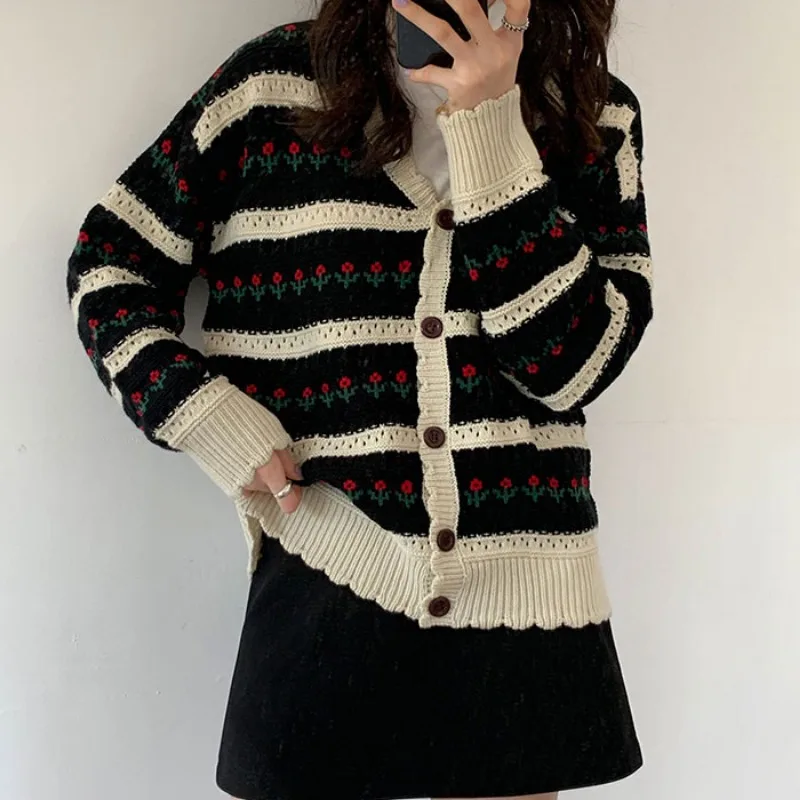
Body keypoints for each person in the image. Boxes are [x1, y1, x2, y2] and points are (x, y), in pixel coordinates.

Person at [66, 0, 653, 797]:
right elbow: (110, 266)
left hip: (528, 606)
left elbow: (571, 367)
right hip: (329, 573)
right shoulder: (273, 88)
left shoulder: (589, 110)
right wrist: (205, 415)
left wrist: (492, 123)